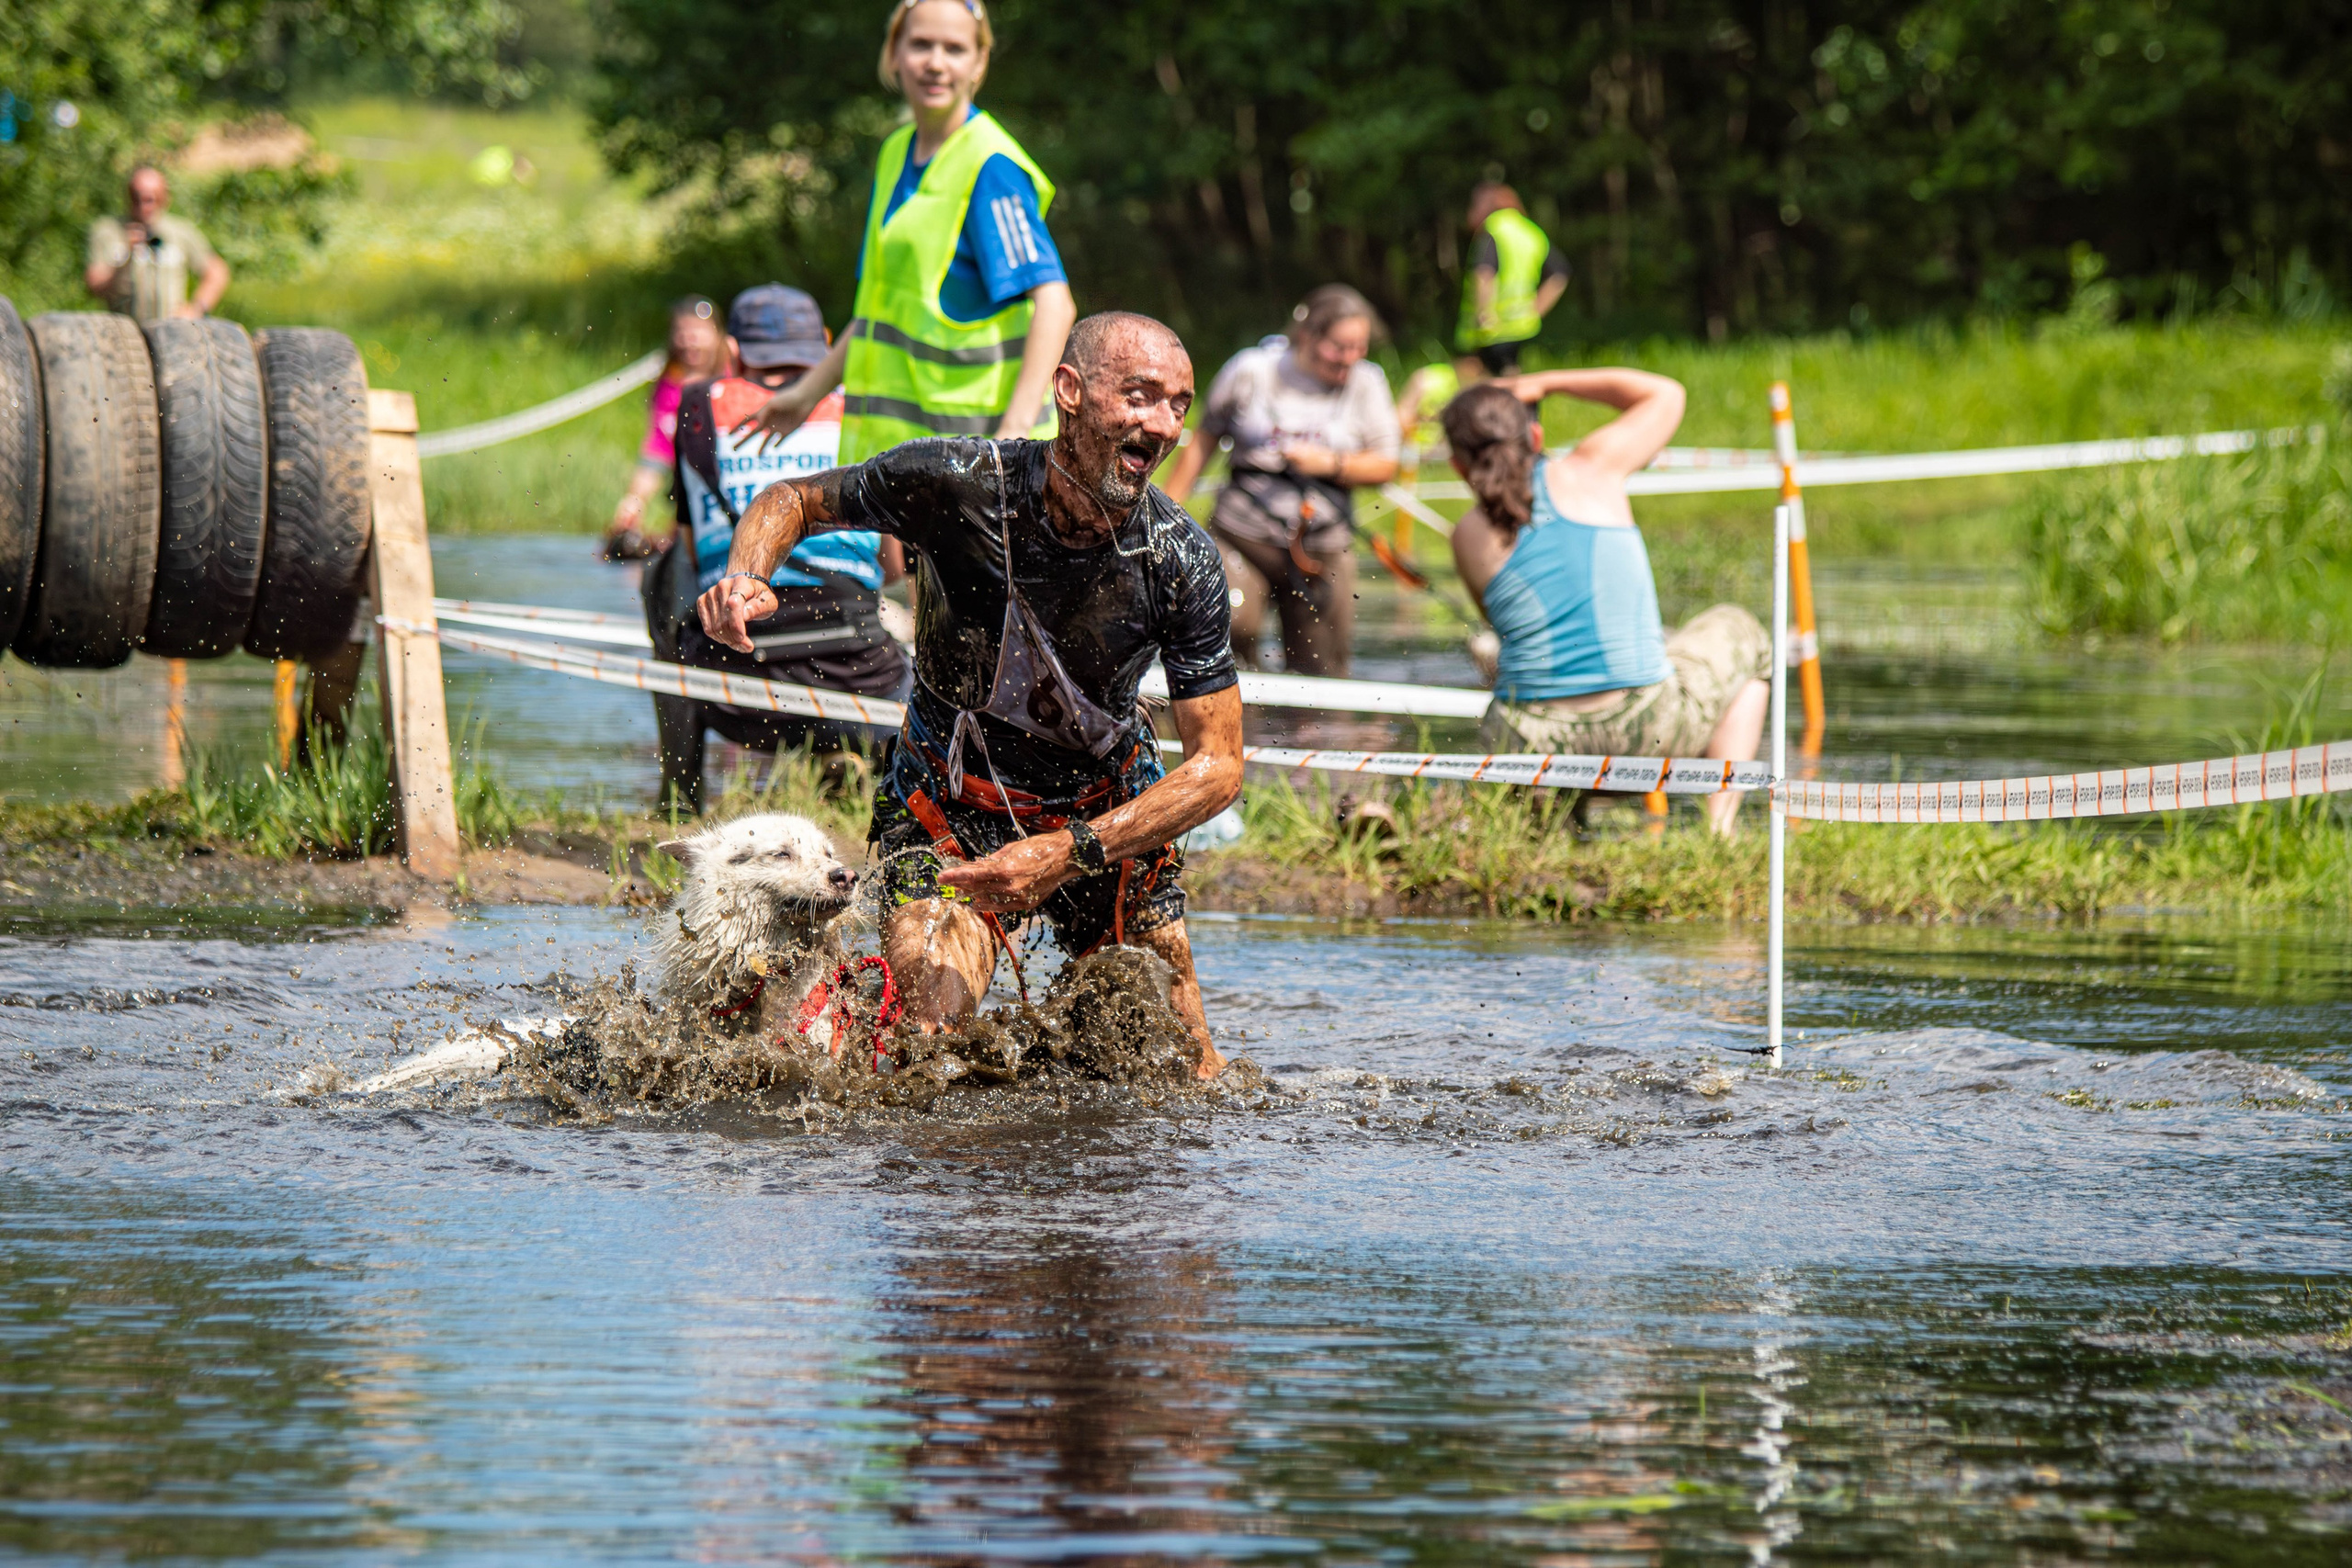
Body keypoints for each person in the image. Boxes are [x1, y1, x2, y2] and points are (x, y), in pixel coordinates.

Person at [698, 312, 1243, 1075]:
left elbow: (1219, 767)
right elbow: (793, 499)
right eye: (1141, 396)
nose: (1162, 425)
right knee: (927, 1047)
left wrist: (1067, 850)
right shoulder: (955, 482)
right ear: (1070, 392)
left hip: (1101, 820)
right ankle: (815, 1038)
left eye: (1179, 405)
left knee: (1190, 1073)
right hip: (947, 806)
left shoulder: (1182, 560)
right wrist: (748, 574)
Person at [741, 0, 1076, 460]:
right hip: (903, 457)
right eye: (921, 45)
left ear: (979, 62)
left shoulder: (990, 166)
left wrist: (1013, 435)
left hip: (977, 456)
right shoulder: (895, 151)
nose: (936, 63)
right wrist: (807, 393)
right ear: (895, 52)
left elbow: (1055, 303)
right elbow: (880, 312)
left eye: (954, 49)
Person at [1441, 372, 1769, 836]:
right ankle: (1719, 831)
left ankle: (1549, 832)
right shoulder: (1591, 469)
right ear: (1535, 435)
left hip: (1530, 748)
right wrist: (1545, 383)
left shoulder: (1466, 536)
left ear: (1457, 465)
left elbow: (1501, 626)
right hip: (1648, 736)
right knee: (1745, 632)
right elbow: (1666, 393)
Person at [643, 285, 911, 811]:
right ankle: (861, 764)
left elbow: (698, 557)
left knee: (664, 571)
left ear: (735, 353)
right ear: (830, 348)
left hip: (733, 688)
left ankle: (680, 794)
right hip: (861, 682)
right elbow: (892, 566)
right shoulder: (862, 409)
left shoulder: (696, 407)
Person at [1160, 285, 1399, 678]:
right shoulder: (1252, 370)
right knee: (1227, 627)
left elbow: (1385, 464)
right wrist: (1167, 515)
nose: (1350, 358)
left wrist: (1330, 463)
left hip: (1322, 548)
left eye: (1360, 347)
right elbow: (1202, 442)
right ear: (1307, 335)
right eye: (1340, 347)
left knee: (1322, 670)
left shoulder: (1367, 383)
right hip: (1243, 535)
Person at [604, 296, 729, 561]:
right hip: (684, 484)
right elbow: (658, 447)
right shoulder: (669, 386)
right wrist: (634, 501)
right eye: (682, 332)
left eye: (697, 331)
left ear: (717, 335)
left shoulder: (735, 378)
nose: (689, 340)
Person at [85, 166, 230, 324]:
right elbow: (95, 286)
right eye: (137, 198)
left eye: (151, 199)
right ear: (128, 196)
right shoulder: (109, 231)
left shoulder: (180, 232)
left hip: (171, 330)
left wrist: (196, 308)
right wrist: (126, 256)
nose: (144, 207)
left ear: (165, 198)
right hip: (124, 331)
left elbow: (217, 272)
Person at [1453, 184, 1567, 379]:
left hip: (1491, 327)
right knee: (1509, 379)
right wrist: (1537, 309)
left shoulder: (1494, 228)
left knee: (1472, 380)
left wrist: (1483, 313)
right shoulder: (1531, 232)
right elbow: (1560, 274)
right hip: (1520, 325)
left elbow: (1485, 273)